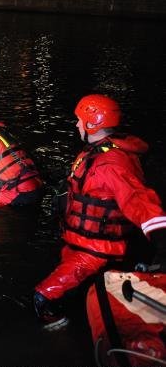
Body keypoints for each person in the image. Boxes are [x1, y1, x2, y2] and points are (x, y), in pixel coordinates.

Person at [34, 94, 166, 329]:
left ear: (91, 124)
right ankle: (85, 315)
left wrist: (161, 240)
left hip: (97, 249)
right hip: (79, 242)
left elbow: (139, 201)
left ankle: (62, 336)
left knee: (44, 297)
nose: (76, 125)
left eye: (79, 120)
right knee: (77, 289)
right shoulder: (95, 152)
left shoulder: (111, 163)